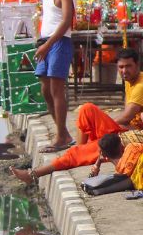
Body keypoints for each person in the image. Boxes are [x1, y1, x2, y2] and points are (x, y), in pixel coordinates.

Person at [13, 48, 143, 183]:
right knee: (86, 109)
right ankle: (81, 148)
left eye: (128, 66)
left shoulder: (140, 85)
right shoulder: (130, 81)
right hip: (125, 133)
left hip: (129, 138)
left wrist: (105, 123)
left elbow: (126, 118)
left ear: (137, 65)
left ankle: (34, 174)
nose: (124, 71)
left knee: (78, 152)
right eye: (121, 67)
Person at [37, 0, 76, 152]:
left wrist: (47, 45)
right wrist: (41, 43)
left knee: (56, 90)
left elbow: (66, 21)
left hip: (59, 43)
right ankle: (63, 134)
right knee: (45, 90)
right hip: (45, 42)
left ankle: (61, 136)